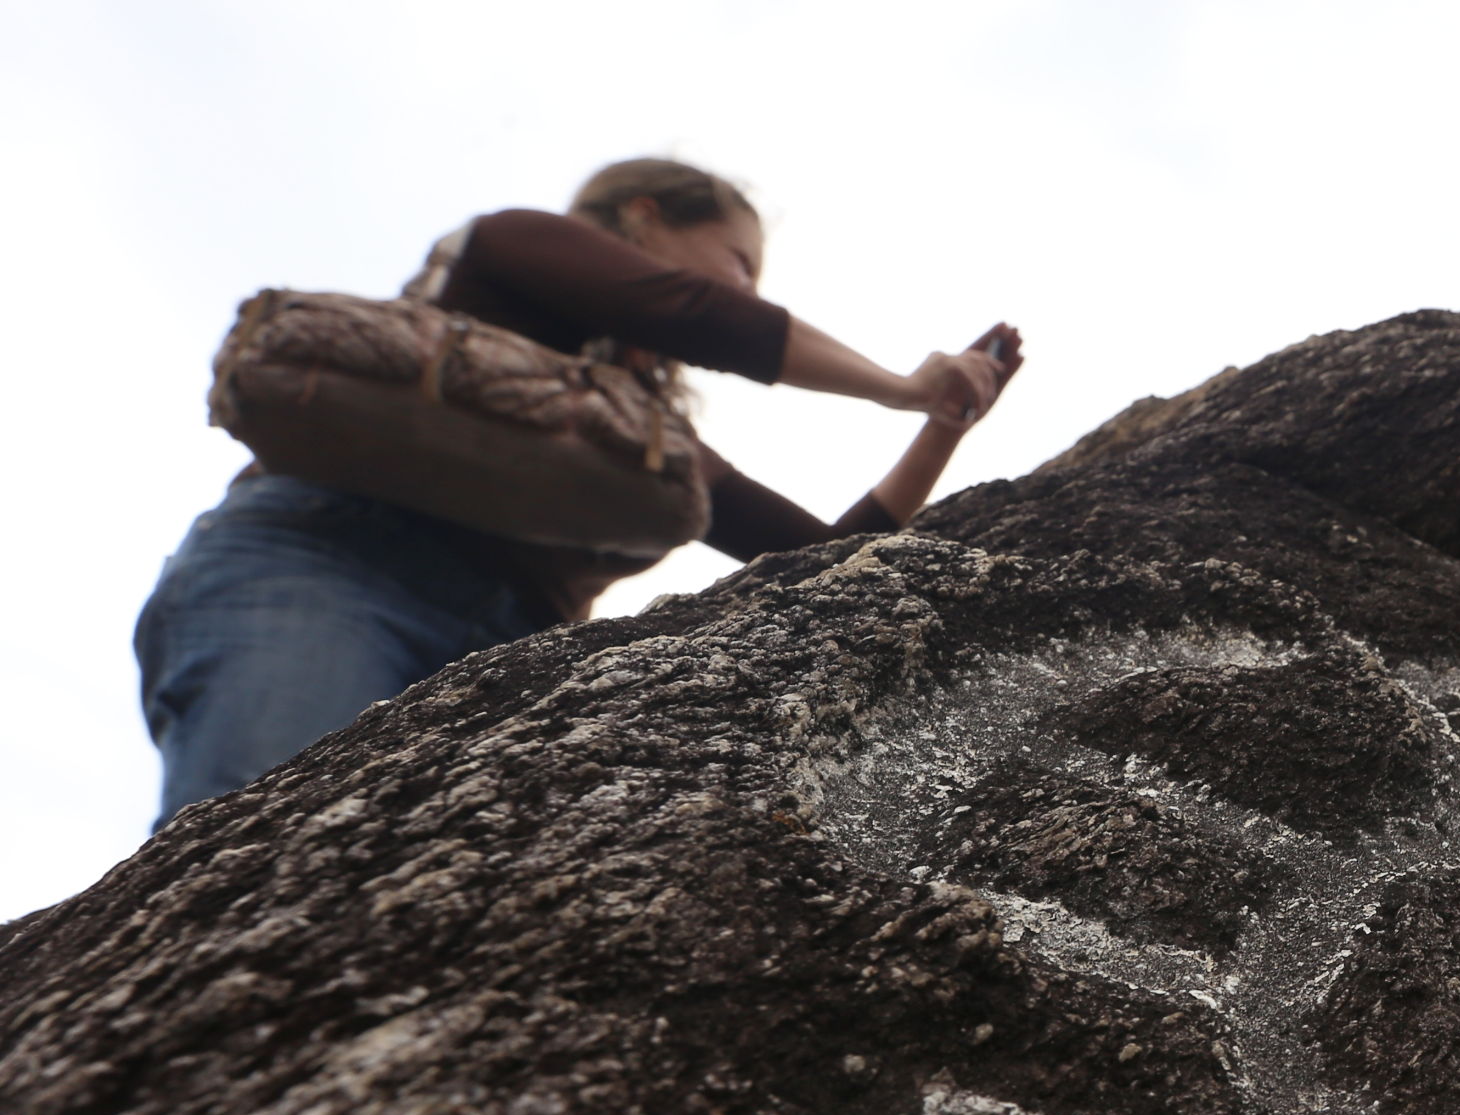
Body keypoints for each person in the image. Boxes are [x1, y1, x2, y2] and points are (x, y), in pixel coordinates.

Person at [135, 158, 1019, 821]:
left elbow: (816, 558)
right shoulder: (510, 246)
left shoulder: (632, 436)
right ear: (644, 218)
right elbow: (696, 314)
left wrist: (938, 427)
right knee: (259, 836)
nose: (746, 286)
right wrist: (897, 385)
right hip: (328, 570)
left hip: (509, 655)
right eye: (738, 259)